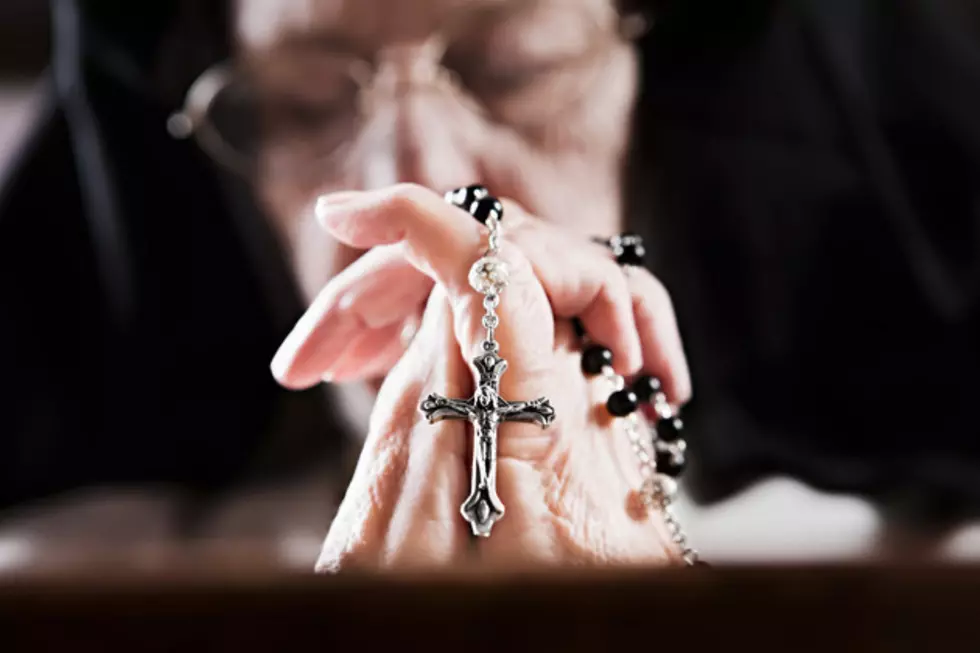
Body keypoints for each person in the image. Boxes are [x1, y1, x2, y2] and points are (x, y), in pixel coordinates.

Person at [1, 0, 979, 568]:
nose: (421, 176)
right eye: (306, 100)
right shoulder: (71, 575)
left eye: (515, 72)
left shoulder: (925, 561)